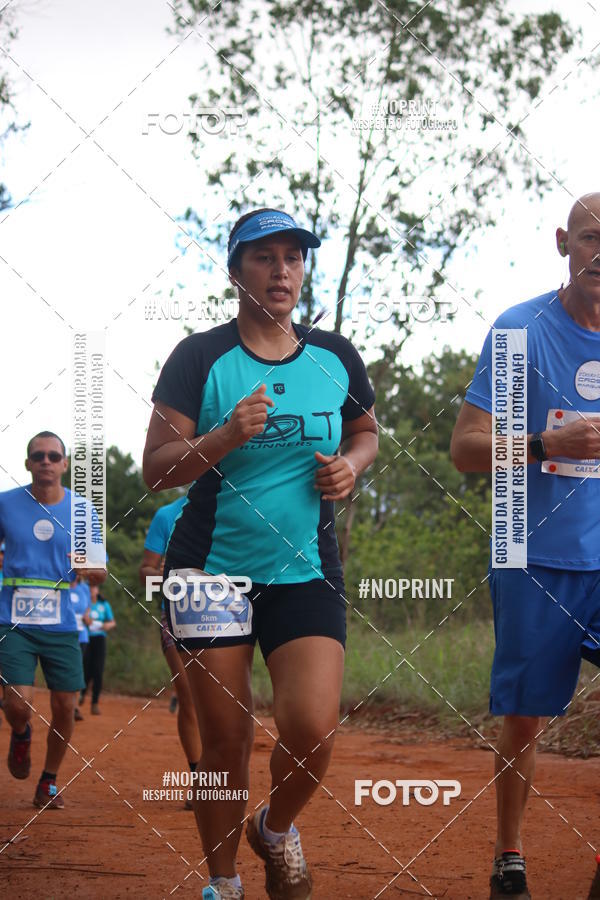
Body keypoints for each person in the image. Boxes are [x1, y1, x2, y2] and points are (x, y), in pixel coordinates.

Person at [143, 208, 378, 900]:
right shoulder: (199, 357)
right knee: (225, 740)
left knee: (313, 729)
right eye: (264, 257)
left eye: (293, 258)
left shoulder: (334, 356)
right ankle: (223, 883)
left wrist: (351, 467)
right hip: (208, 572)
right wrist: (223, 435)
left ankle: (273, 830)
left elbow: (366, 433)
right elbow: (155, 470)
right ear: (235, 270)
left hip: (304, 569)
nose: (281, 271)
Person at [450, 193, 600, 899]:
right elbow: (466, 450)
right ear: (563, 242)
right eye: (592, 238)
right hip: (531, 551)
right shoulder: (521, 332)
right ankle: (509, 855)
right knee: (525, 717)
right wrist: (545, 442)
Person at [0, 431, 106, 807]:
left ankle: (48, 781)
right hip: (13, 620)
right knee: (17, 703)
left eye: (53, 456)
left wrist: (87, 566)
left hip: (61, 622)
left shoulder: (83, 511)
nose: (45, 461)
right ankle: (21, 732)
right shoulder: (5, 503)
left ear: (64, 464)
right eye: (38, 455)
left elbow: (100, 572)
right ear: (28, 463)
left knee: (64, 706)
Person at [139, 494, 201, 809]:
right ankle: (200, 779)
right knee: (188, 695)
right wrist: (164, 577)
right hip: (177, 614)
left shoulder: (238, 505)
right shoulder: (167, 515)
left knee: (225, 700)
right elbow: (146, 573)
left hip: (229, 615)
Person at [80, 585, 115, 715]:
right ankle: (81, 695)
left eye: (94, 588)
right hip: (86, 639)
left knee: (98, 671)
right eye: (89, 588)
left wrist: (107, 625)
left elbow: (112, 622)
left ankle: (94, 703)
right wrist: (85, 618)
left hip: (99, 639)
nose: (92, 590)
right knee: (85, 669)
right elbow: (80, 618)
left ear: (98, 589)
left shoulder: (104, 604)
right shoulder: (84, 602)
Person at [69, 575, 92, 721]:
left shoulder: (84, 588)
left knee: (77, 670)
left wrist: (87, 618)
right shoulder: (62, 585)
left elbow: (88, 609)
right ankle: (66, 704)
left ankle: (75, 706)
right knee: (67, 671)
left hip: (81, 636)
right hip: (64, 635)